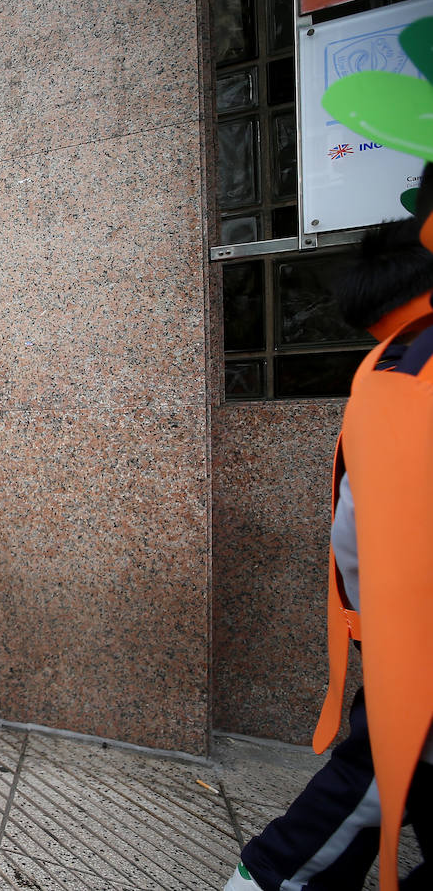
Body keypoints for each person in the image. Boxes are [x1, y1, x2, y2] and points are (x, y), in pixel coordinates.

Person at [225, 216, 433, 891]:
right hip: (418, 660)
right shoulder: (409, 369)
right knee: (374, 777)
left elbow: (355, 535)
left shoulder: (394, 364)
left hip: (405, 644)